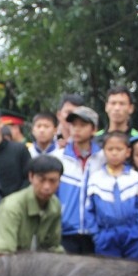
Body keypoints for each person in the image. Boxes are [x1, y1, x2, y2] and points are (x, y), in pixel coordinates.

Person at [0, 155, 65, 255]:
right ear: (31, 177)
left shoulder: (55, 205)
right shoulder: (12, 206)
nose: (47, 187)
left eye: (53, 181)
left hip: (32, 262)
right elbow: (4, 253)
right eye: (42, 180)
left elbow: (53, 247)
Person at [86, 131, 138, 259]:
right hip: (106, 234)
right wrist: (96, 234)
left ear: (127, 152)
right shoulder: (95, 178)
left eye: (119, 149)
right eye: (110, 149)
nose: (114, 153)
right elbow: (89, 209)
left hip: (133, 233)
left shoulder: (135, 178)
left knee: (136, 271)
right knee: (110, 273)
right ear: (103, 151)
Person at [52, 106, 104, 254]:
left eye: (83, 125)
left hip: (95, 233)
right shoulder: (58, 157)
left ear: (94, 129)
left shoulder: (103, 158)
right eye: (74, 125)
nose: (77, 129)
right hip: (65, 232)